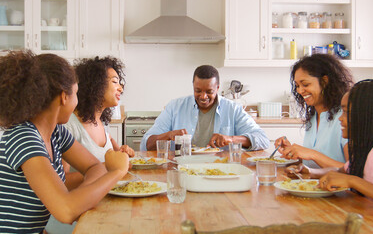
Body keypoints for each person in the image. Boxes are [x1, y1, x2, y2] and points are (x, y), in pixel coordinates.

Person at [0, 51, 129, 233]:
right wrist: (117, 172)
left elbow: (94, 167)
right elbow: (66, 211)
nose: (77, 101)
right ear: (64, 96)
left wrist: (81, 199)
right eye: (76, 93)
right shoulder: (23, 137)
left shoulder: (56, 132)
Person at [289, 80, 373, 223]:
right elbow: (344, 171)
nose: (340, 118)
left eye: (346, 112)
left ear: (368, 116)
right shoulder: (367, 149)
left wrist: (354, 181)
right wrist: (311, 172)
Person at [45, 56, 135, 234]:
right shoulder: (68, 126)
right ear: (96, 85)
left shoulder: (100, 122)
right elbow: (61, 183)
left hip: (95, 204)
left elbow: (108, 158)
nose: (121, 87)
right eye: (115, 81)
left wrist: (121, 154)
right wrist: (109, 169)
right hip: (74, 220)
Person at [141, 65, 269, 151]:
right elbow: (146, 144)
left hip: (221, 171)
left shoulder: (233, 109)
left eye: (209, 91)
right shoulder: (174, 107)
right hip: (181, 168)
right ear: (193, 86)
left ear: (218, 88)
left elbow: (263, 140)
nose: (203, 96)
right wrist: (169, 135)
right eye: (198, 90)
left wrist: (231, 139)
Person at [275, 54, 353, 168]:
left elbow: (353, 171)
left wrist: (312, 154)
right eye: (297, 86)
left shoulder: (344, 118)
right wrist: (293, 152)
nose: (300, 90)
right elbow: (312, 164)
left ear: (324, 81)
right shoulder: (313, 116)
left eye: (305, 84)